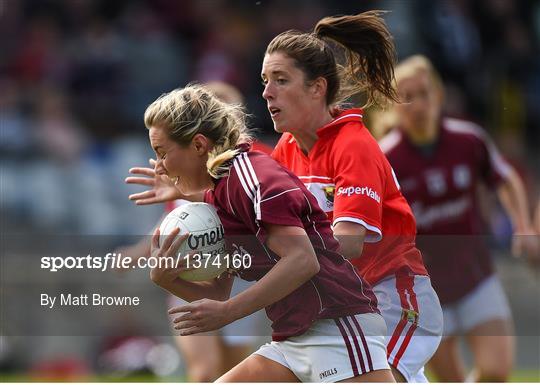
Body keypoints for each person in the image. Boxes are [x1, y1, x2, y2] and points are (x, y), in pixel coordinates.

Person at [143, 83, 395, 382]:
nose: (159, 166)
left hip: (336, 326)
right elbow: (219, 292)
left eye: (161, 153)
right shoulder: (219, 194)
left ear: (198, 145)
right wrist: (166, 279)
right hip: (291, 337)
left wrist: (229, 312)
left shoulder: (253, 178)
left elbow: (302, 260)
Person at [264, 12, 443, 383]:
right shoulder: (287, 148)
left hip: (394, 299)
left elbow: (348, 243)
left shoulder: (353, 146)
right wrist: (197, 191)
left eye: (281, 80)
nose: (267, 92)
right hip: (344, 309)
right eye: (265, 81)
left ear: (318, 88)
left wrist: (285, 255)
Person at [378, 54, 539, 381]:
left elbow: (505, 179)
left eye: (424, 94)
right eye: (407, 97)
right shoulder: (386, 158)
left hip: (476, 278)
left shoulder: (468, 140)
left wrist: (522, 226)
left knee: (496, 371)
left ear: (438, 96)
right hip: (426, 291)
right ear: (395, 106)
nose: (418, 104)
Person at [119, 81, 271, 382]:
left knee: (230, 372)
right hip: (191, 267)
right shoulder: (183, 165)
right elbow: (175, 221)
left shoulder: (258, 164)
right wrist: (138, 254)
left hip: (241, 276)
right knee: (204, 371)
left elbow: (265, 222)